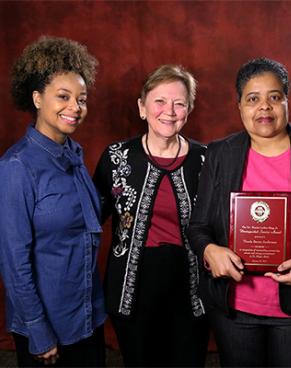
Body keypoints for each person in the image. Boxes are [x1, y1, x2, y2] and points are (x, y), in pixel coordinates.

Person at [187, 57, 291, 367]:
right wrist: (209, 249)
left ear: (287, 102)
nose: (264, 107)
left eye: (274, 97)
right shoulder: (219, 154)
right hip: (235, 308)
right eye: (253, 99)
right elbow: (198, 227)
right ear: (240, 106)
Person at [93, 64, 209, 367]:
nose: (169, 111)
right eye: (159, 101)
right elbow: (90, 219)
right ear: (142, 107)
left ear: (188, 110)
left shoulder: (207, 159)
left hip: (191, 286)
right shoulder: (117, 157)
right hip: (132, 287)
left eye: (179, 103)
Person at [0, 36, 106, 367]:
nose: (75, 107)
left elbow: (86, 226)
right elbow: (14, 262)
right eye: (63, 97)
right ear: (36, 98)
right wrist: (38, 330)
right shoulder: (17, 166)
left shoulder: (73, 155)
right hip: (48, 326)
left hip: (88, 316)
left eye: (82, 99)